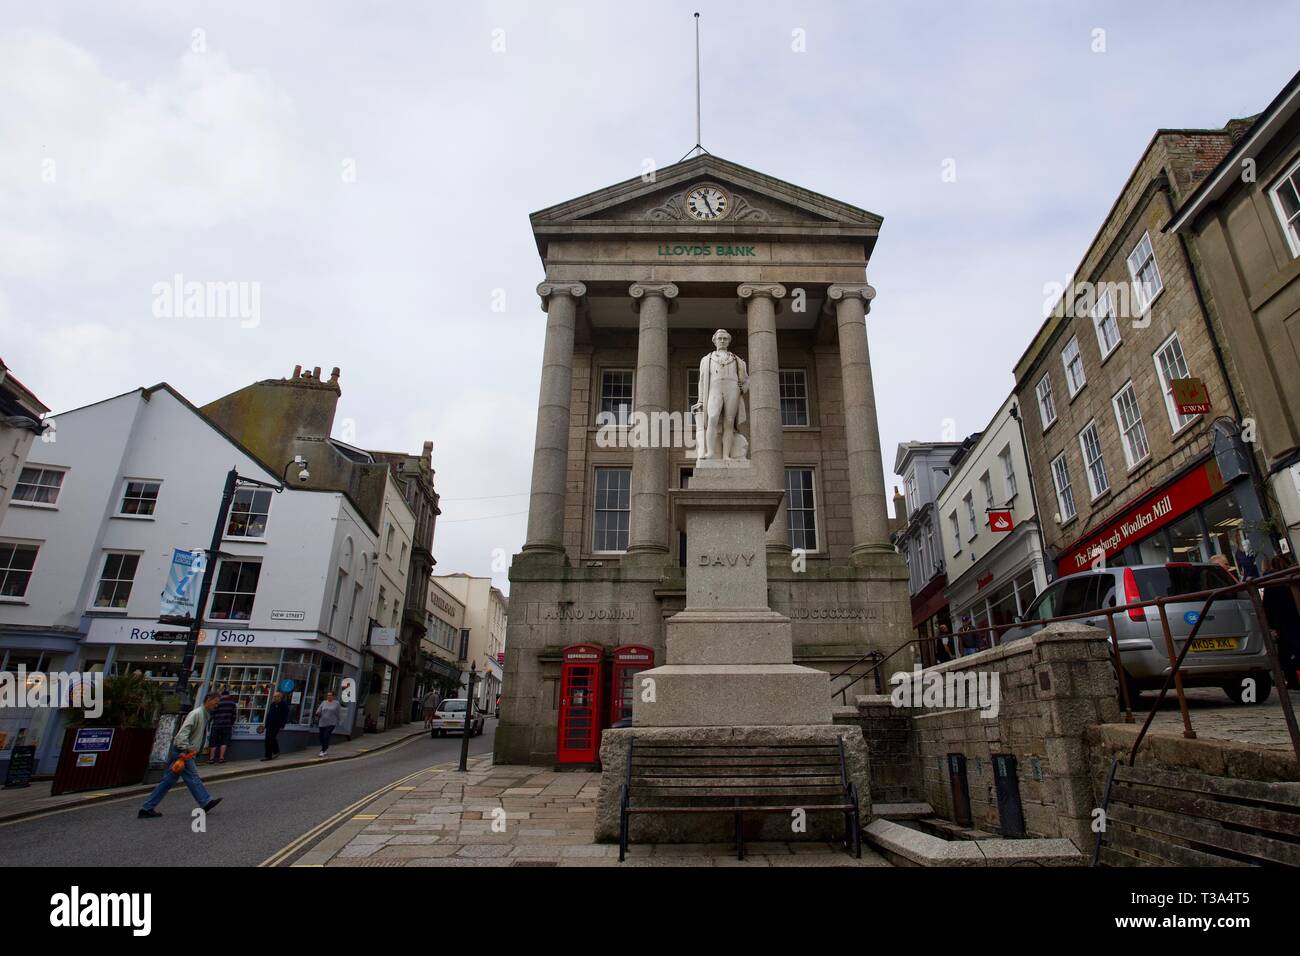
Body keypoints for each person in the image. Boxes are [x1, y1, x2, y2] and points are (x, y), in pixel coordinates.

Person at [138, 692, 224, 819]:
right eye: (216, 702)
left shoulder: (205, 715)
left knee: (167, 781)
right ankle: (205, 801)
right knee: (193, 777)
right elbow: (183, 733)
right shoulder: (196, 714)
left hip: (186, 752)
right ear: (208, 700)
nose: (217, 705)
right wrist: (183, 750)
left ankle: (147, 808)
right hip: (182, 752)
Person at [1262, 555, 1300, 690]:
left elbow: (1267, 605)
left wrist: (1270, 624)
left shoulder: (1269, 581)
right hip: (1293, 619)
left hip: (1282, 622)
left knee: (1285, 651)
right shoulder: (1293, 577)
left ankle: (1292, 680)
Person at [207, 688, 238, 763]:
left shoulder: (217, 702)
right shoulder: (232, 703)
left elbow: (212, 713)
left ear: (221, 695)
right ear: (228, 695)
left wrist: (211, 721)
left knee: (213, 742)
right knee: (225, 741)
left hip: (216, 724)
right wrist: (231, 723)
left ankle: (211, 758)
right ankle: (221, 758)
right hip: (227, 725)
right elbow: (234, 715)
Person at [260, 690, 290, 761]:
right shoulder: (273, 704)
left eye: (276, 696)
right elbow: (269, 715)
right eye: (274, 696)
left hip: (277, 725)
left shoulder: (284, 705)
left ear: (280, 697)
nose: (274, 698)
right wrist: (265, 725)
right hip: (269, 724)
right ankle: (276, 751)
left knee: (269, 739)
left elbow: (285, 716)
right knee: (269, 739)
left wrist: (283, 725)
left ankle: (268, 756)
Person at [315, 690, 342, 757]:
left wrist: (339, 721)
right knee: (321, 737)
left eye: (330, 695)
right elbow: (318, 711)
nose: (329, 696)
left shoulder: (336, 703)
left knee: (326, 736)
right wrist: (318, 713)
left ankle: (322, 750)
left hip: (332, 723)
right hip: (322, 722)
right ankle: (325, 747)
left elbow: (338, 713)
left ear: (333, 696)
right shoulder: (324, 702)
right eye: (328, 695)